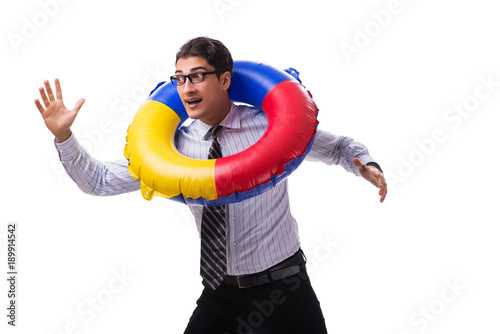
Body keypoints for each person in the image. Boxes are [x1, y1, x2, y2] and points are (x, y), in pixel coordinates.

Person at [35, 37, 387, 334]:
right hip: (221, 292)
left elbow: (338, 147)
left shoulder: (268, 128)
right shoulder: (174, 150)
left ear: (224, 80)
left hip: (285, 286)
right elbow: (98, 181)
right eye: (180, 79)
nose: (187, 87)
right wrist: (64, 135)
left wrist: (366, 166)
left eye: (198, 76)